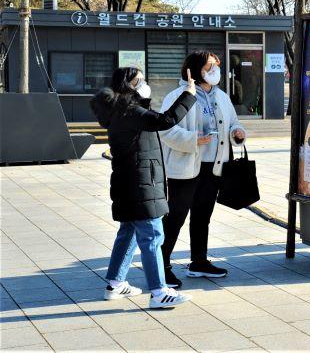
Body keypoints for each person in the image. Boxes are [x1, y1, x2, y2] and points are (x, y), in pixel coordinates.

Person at [90, 67, 196, 309]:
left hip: (128, 181)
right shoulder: (130, 111)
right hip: (140, 184)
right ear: (129, 85)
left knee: (127, 232)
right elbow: (165, 120)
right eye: (140, 80)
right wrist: (189, 94)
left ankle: (115, 283)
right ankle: (159, 291)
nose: (145, 84)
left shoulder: (119, 111)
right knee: (152, 236)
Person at [159, 51, 247, 288]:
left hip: (214, 166)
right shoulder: (178, 95)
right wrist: (192, 139)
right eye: (210, 66)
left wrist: (237, 133)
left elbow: (234, 122)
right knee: (175, 216)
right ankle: (161, 265)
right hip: (186, 167)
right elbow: (165, 129)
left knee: (202, 216)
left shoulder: (221, 96)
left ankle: (198, 261)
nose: (215, 70)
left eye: (216, 66)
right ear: (196, 69)